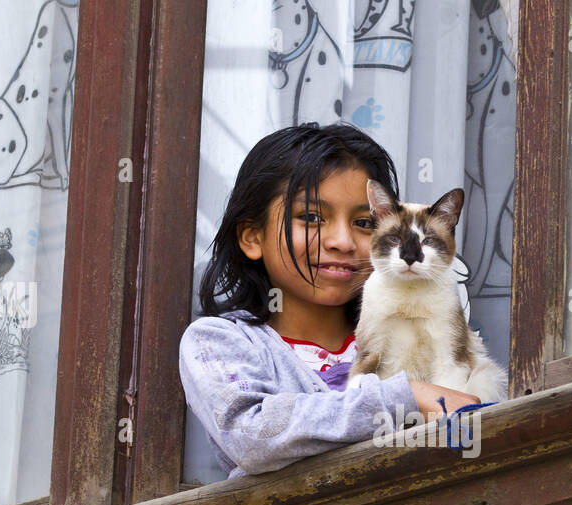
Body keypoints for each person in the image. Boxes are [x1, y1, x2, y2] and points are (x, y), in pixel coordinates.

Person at [180, 123, 481, 478]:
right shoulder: (220, 342)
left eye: (364, 222)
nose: (342, 241)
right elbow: (251, 435)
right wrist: (406, 397)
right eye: (310, 217)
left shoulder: (416, 331)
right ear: (252, 237)